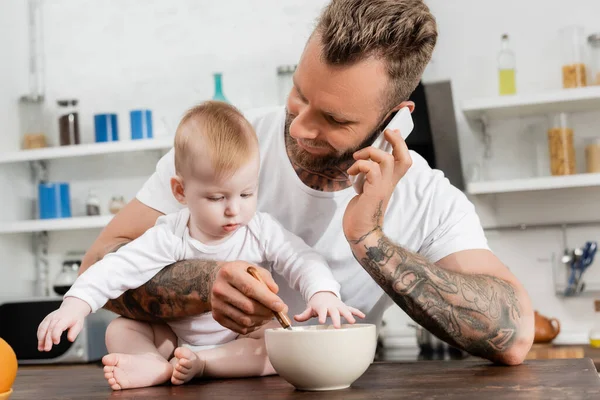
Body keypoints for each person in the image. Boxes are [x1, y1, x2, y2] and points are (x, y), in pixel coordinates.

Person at [79, 0, 535, 366]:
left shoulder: (427, 199)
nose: (299, 128)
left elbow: (512, 337)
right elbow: (97, 265)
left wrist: (371, 239)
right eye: (299, 93)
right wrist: (203, 282)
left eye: (334, 118)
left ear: (395, 118)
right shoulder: (224, 149)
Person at [37, 101, 364, 390]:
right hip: (173, 340)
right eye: (216, 197)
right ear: (181, 192)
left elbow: (302, 259)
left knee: (273, 345)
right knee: (121, 330)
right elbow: (116, 267)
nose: (234, 209)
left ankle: (203, 363)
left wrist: (323, 293)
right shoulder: (171, 234)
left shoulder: (259, 228)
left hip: (237, 344)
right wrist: (75, 305)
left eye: (247, 193)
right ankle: (154, 363)